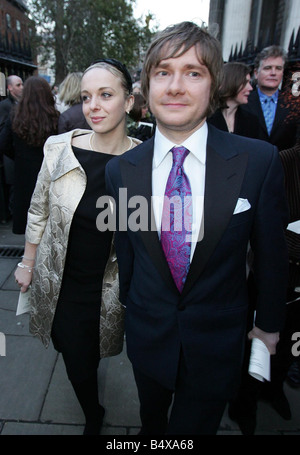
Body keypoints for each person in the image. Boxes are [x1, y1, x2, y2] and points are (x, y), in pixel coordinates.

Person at [105, 21, 289, 435]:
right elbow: (130, 250)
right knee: (152, 425)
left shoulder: (257, 161)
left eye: (193, 72)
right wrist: (132, 309)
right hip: (149, 335)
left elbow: (272, 254)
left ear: (212, 87)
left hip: (218, 340)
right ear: (147, 88)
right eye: (163, 72)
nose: (175, 86)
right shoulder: (121, 171)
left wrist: (269, 324)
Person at [14, 59, 140, 435]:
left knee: (94, 349)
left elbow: (144, 231)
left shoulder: (143, 161)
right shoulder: (59, 148)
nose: (93, 106)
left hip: (110, 286)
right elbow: (38, 209)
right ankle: (93, 413)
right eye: (86, 97)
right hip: (61, 279)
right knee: (73, 354)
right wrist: (27, 261)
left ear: (129, 102)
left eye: (106, 95)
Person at [0, 76, 60, 234]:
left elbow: (3, 143)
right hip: (47, 169)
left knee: (27, 215)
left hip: (23, 171)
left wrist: (18, 155)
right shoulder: (54, 117)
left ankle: (28, 254)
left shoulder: (15, 117)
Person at [243, 45, 298, 151]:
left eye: (278, 68)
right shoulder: (244, 101)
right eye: (268, 68)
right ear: (256, 73)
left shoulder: (292, 104)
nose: (273, 73)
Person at [208, 62, 261, 138]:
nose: (250, 88)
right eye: (245, 82)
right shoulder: (205, 118)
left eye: (250, 82)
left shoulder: (251, 121)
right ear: (231, 82)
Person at [0, 75, 23, 221]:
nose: (22, 87)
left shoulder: (19, 104)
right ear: (9, 88)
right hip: (10, 156)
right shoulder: (5, 106)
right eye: (18, 85)